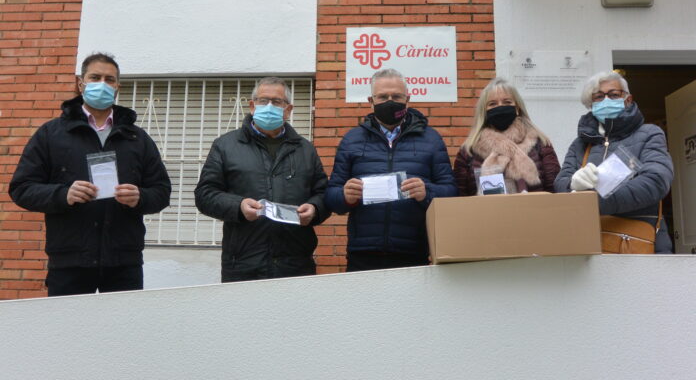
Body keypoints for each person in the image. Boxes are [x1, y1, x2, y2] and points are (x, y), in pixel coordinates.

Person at [9, 52, 171, 296]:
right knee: (68, 332)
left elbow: (161, 191)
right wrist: (64, 194)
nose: (102, 84)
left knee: (122, 332)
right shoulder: (51, 134)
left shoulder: (137, 138)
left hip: (123, 260)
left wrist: (140, 198)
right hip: (69, 260)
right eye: (95, 77)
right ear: (80, 82)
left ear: (117, 86)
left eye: (109, 79)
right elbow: (21, 188)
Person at [195, 77, 330, 282]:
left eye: (277, 102)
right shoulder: (225, 145)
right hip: (243, 264)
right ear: (252, 105)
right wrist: (238, 206)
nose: (269, 106)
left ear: (288, 109)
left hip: (295, 264)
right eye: (263, 100)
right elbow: (205, 195)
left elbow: (323, 193)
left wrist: (314, 209)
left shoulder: (305, 149)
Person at [324, 69, 457, 271]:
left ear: (408, 99)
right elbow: (332, 196)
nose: (389, 101)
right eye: (382, 97)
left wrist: (427, 192)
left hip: (414, 252)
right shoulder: (351, 140)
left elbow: (451, 191)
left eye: (396, 96)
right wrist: (344, 195)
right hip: (363, 253)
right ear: (371, 100)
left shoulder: (431, 139)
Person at [554, 70, 673, 253]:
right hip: (588, 243)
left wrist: (593, 201)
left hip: (636, 241)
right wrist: (573, 184)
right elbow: (561, 183)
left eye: (614, 95)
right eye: (599, 96)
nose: (606, 100)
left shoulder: (650, 133)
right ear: (591, 104)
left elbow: (656, 180)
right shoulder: (580, 144)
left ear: (628, 99)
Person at [453, 78, 560, 196]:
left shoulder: (540, 143)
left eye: (507, 102)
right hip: (485, 213)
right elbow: (460, 197)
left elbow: (554, 191)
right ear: (484, 111)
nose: (500, 107)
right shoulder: (469, 150)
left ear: (517, 108)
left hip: (535, 212)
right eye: (493, 104)